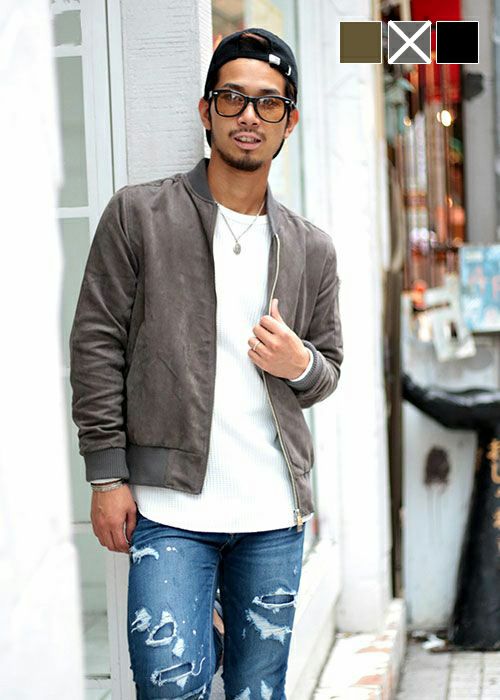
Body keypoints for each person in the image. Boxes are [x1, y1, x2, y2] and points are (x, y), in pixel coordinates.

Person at [70, 27, 343, 700]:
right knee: (169, 686)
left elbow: (328, 370)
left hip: (273, 515)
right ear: (206, 110)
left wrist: (298, 362)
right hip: (169, 510)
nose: (250, 115)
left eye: (269, 103)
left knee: (258, 691)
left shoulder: (311, 248)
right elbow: (97, 343)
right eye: (232, 98)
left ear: (289, 122)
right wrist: (107, 476)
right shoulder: (139, 215)